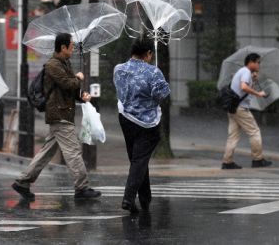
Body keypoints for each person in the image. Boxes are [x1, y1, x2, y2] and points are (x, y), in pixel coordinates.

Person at [12, 33, 101, 201]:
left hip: (62, 112)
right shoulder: (53, 65)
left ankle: (22, 182)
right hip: (59, 114)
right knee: (73, 151)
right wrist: (78, 78)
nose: (73, 49)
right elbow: (68, 83)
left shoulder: (63, 63)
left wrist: (81, 95)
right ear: (63, 47)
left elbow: (69, 89)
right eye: (71, 46)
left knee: (46, 152)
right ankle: (81, 187)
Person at [113, 37, 171, 213]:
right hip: (147, 123)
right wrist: (159, 79)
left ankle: (145, 198)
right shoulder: (153, 72)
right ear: (148, 54)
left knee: (137, 158)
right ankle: (128, 198)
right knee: (140, 160)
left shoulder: (119, 69)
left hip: (125, 118)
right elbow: (162, 94)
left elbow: (121, 90)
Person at [221, 53, 272, 169]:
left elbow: (243, 90)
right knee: (254, 131)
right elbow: (244, 87)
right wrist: (259, 93)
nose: (259, 65)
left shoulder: (244, 72)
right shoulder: (245, 72)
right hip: (240, 109)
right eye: (258, 62)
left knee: (233, 136)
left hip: (233, 108)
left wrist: (253, 80)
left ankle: (227, 162)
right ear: (251, 62)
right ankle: (258, 159)